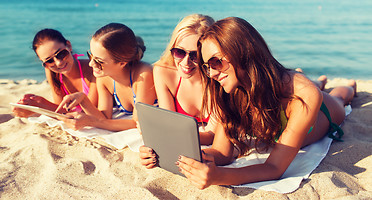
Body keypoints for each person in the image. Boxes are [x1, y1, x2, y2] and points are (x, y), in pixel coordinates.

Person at [176, 17, 357, 189]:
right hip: (281, 86)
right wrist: (181, 158)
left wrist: (218, 176)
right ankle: (319, 81)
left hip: (323, 113)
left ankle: (348, 86)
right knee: (308, 85)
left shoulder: (304, 95)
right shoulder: (229, 90)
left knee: (339, 99)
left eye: (216, 62)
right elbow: (222, 153)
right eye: (207, 66)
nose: (213, 74)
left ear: (242, 51)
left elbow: (275, 168)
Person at [139, 14, 219, 169]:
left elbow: (212, 137)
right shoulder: (163, 72)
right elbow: (168, 124)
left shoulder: (218, 78)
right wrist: (150, 148)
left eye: (195, 55)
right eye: (179, 52)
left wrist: (169, 136)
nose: (186, 62)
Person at [56, 23, 157, 132]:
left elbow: (136, 122)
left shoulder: (143, 74)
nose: (91, 64)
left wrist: (91, 121)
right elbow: (104, 117)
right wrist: (83, 99)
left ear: (122, 63)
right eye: (90, 55)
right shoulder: (104, 78)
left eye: (99, 61)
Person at [12, 29, 98, 117]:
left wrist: (41, 105)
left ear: (69, 45)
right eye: (49, 60)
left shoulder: (91, 69)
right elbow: (60, 108)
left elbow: (88, 113)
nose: (58, 63)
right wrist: (34, 104)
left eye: (61, 54)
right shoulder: (51, 71)